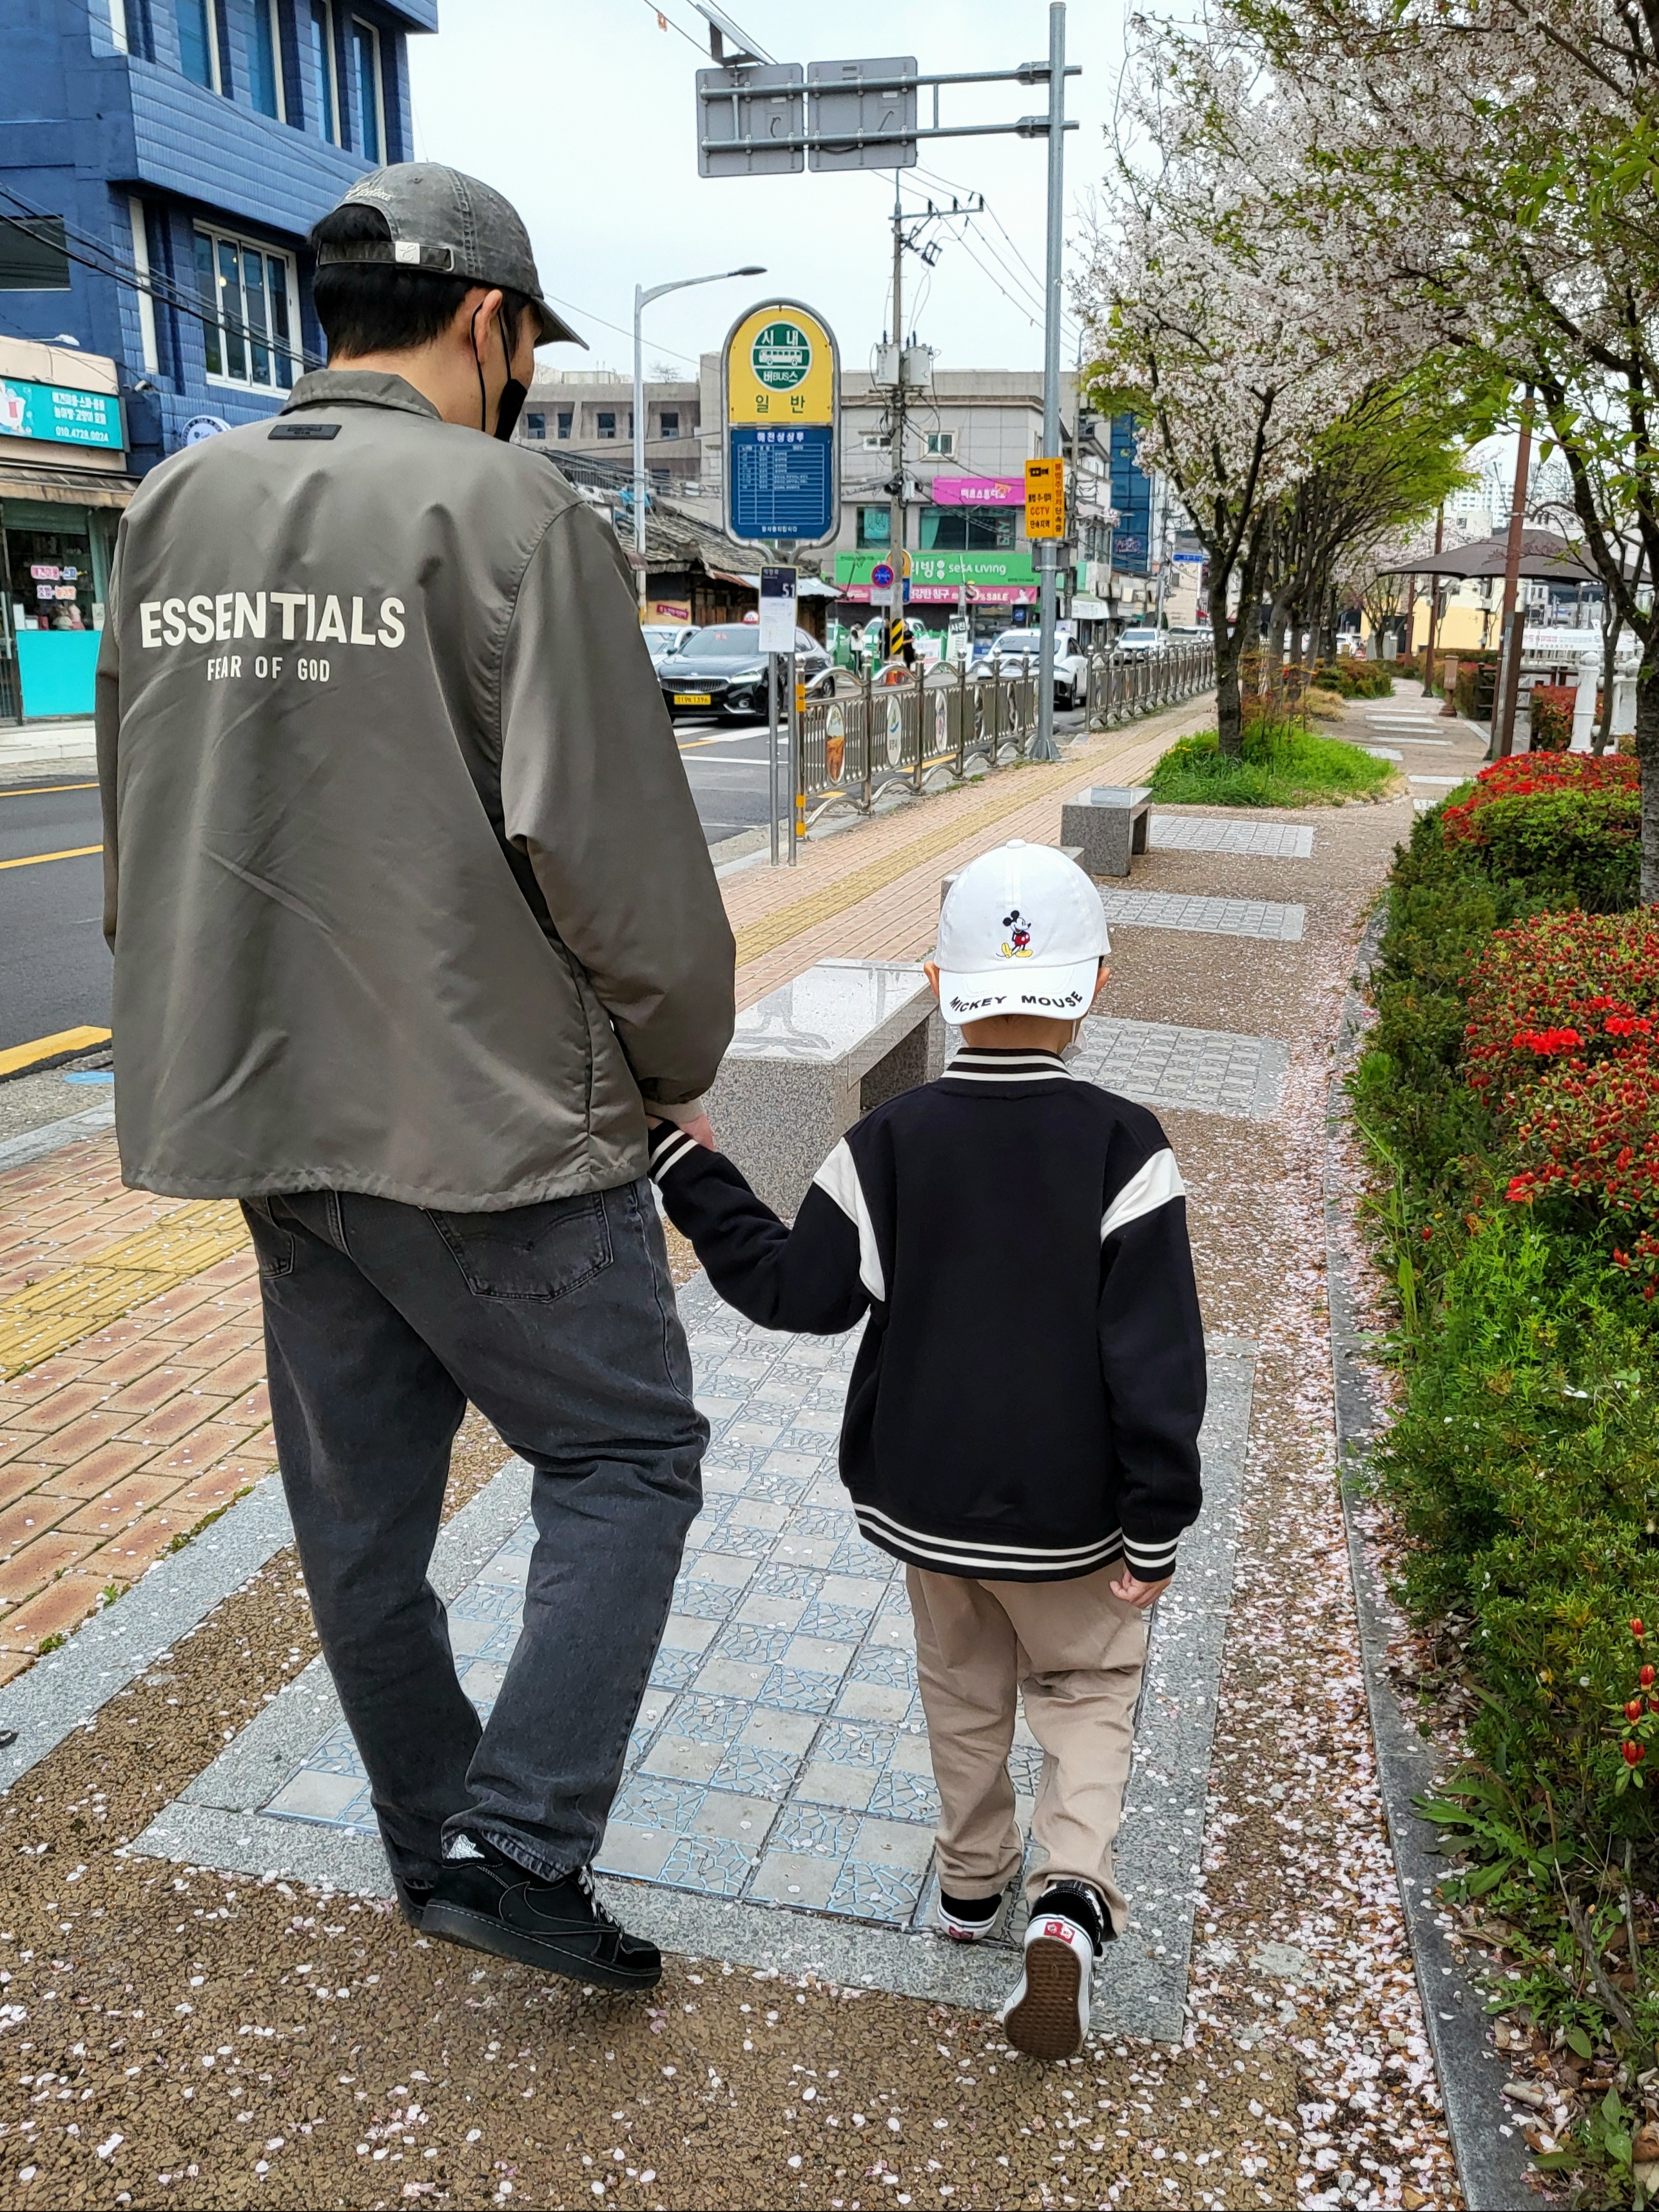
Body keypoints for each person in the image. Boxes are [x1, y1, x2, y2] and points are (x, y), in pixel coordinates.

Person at [95, 164, 735, 1992]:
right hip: (493, 1120)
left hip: (266, 1118)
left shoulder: (170, 507)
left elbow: (145, 845)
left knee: (359, 1513)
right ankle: (520, 1845)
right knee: (622, 1455)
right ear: (487, 325)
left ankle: (427, 1844)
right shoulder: (513, 511)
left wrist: (206, 1035)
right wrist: (676, 1064)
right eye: (528, 343)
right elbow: (610, 856)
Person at [645, 841, 1206, 2059]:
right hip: (1077, 1517)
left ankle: (967, 1887)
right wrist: (1158, 1520)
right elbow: (1159, 1359)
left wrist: (687, 1162)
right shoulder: (1126, 1148)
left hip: (927, 1505)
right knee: (1087, 1691)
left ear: (938, 980)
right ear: (1095, 981)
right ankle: (1067, 1901)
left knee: (962, 1691)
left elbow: (798, 1293)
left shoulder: (888, 1142)